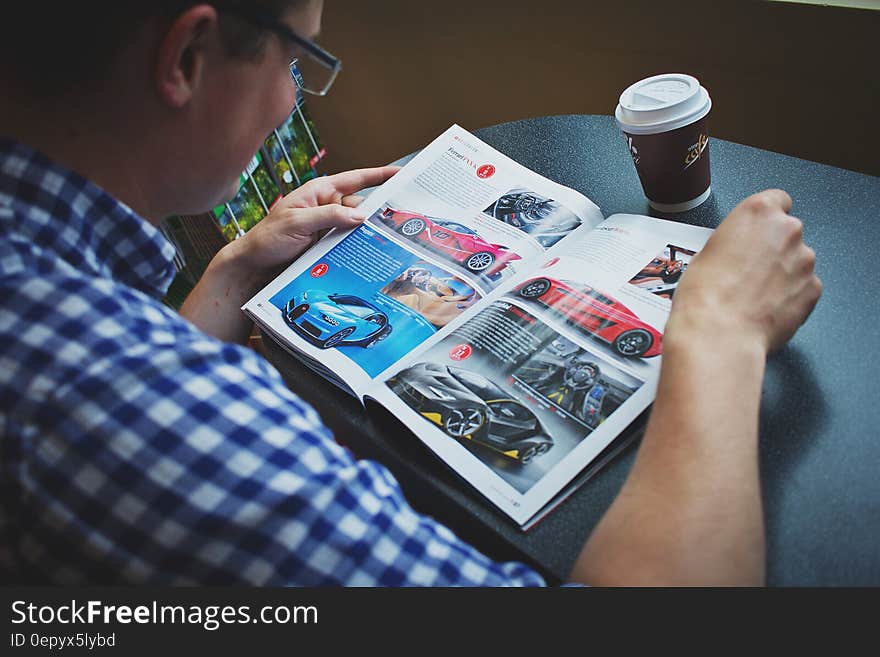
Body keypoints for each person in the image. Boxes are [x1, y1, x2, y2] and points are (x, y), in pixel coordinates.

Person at [0, 1, 821, 585]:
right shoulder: (140, 411)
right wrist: (718, 332)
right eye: (297, 60)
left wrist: (234, 276)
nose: (294, 95)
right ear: (185, 58)